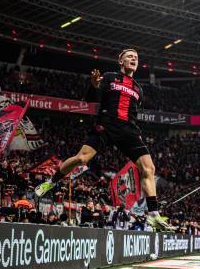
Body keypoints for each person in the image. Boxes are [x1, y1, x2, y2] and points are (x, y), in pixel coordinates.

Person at [35, 49, 171, 230]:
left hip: (128, 129)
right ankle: (50, 182)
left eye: (136, 58)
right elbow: (91, 98)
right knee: (81, 159)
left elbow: (133, 111)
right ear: (120, 61)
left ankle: (153, 214)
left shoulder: (139, 88)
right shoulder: (109, 77)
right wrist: (93, 85)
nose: (134, 59)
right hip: (106, 125)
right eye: (130, 56)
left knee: (149, 168)